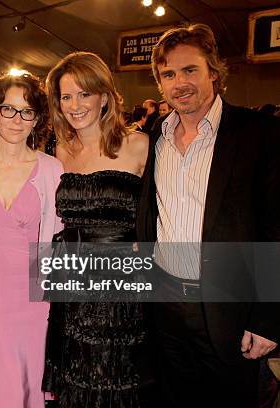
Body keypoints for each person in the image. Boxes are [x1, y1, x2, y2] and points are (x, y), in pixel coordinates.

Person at [136, 23, 280, 408]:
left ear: (214, 71)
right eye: (168, 74)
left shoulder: (260, 134)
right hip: (163, 308)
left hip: (229, 312)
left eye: (189, 70)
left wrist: (268, 318)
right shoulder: (154, 138)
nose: (179, 82)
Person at [42, 51, 149, 407]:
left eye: (84, 94)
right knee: (76, 376)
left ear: (104, 96)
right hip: (71, 282)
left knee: (115, 376)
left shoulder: (140, 145)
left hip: (121, 288)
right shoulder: (56, 150)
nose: (74, 105)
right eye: (66, 96)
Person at [0, 73, 63, 407]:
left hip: (37, 294)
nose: (17, 120)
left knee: (28, 373)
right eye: (8, 109)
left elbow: (59, 235)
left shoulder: (52, 169)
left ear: (37, 118)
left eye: (27, 111)